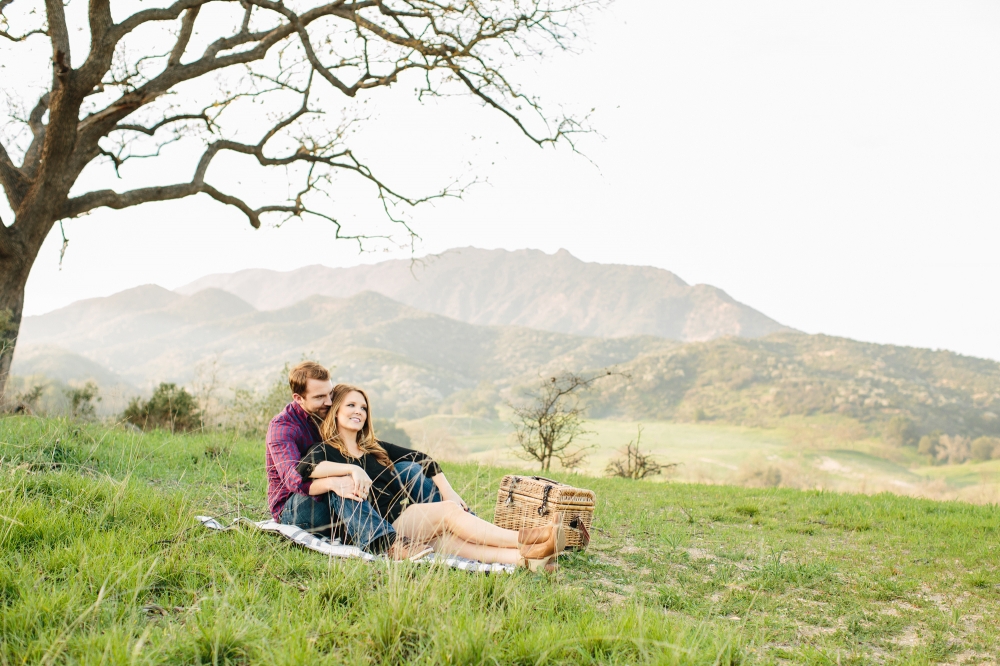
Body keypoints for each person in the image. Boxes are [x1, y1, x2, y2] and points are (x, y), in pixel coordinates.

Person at [296, 383, 566, 570]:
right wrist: (350, 469)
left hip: (401, 523)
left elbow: (423, 459)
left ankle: (527, 559)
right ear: (336, 411)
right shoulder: (324, 450)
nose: (359, 411)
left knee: (450, 542)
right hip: (377, 532)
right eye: (351, 405)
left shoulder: (374, 447)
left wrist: (448, 490)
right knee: (448, 514)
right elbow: (306, 470)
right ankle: (528, 537)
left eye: (363, 407)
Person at [265, 362, 444, 555]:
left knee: (407, 468)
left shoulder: (325, 414)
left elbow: (408, 455)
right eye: (319, 397)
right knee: (344, 482)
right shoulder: (283, 428)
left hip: (341, 505)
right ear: (299, 398)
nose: (328, 401)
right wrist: (337, 479)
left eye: (330, 394)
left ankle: (446, 520)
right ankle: (387, 544)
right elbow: (294, 479)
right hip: (299, 510)